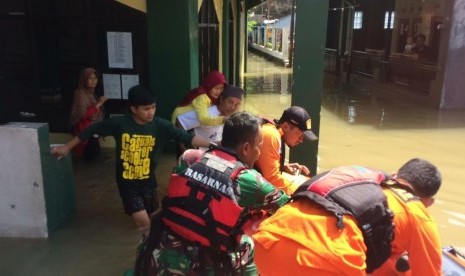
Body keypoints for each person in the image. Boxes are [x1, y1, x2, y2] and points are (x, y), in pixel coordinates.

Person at [135, 112, 290, 275]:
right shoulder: (250, 180)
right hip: (200, 264)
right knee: (247, 245)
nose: (259, 152)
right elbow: (287, 206)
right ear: (246, 148)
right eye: (259, 145)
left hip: (154, 252)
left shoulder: (189, 158)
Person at [52, 85, 210, 231]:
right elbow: (90, 129)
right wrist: (67, 148)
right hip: (127, 184)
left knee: (155, 220)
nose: (151, 112)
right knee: (143, 224)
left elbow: (186, 138)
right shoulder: (119, 124)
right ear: (133, 109)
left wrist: (214, 145)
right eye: (146, 109)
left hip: (149, 182)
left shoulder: (161, 126)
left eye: (153, 107)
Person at [252, 158, 442, 275]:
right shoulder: (419, 214)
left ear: (395, 175)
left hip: (268, 243)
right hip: (321, 262)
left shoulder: (364, 182)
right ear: (428, 202)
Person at [254, 106, 318, 195]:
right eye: (300, 135)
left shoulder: (275, 132)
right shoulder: (271, 135)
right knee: (309, 187)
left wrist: (282, 167)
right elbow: (272, 180)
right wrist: (307, 189)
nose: (301, 140)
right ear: (286, 126)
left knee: (306, 182)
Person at [176, 84, 243, 145]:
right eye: (230, 102)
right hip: (201, 154)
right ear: (222, 99)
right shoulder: (208, 112)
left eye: (237, 104)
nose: (233, 107)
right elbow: (181, 121)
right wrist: (182, 147)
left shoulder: (231, 116)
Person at [69, 67, 108, 161]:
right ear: (84, 80)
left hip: (93, 128)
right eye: (90, 78)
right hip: (85, 129)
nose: (93, 81)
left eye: (95, 78)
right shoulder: (80, 94)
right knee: (90, 156)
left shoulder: (91, 93)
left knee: (96, 154)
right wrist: (99, 104)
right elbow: (83, 114)